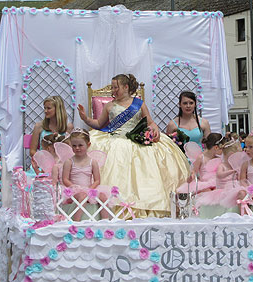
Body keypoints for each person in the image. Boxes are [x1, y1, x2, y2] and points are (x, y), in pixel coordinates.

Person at [78, 74, 189, 217]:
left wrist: (154, 128)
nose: (113, 90)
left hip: (137, 140)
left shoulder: (139, 103)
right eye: (112, 87)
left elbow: (150, 122)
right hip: (115, 141)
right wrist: (85, 118)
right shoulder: (110, 106)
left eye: (116, 87)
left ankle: (147, 205)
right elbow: (99, 124)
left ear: (126, 87)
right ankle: (111, 207)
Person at [62, 129, 110, 221]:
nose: (77, 148)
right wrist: (74, 187)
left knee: (103, 196)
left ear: (88, 145)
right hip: (74, 190)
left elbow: (97, 180)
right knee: (82, 196)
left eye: (80, 145)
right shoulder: (69, 162)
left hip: (90, 188)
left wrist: (90, 189)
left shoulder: (93, 162)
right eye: (74, 146)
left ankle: (105, 220)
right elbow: (65, 179)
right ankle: (76, 221)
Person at [195, 137, 242, 216]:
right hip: (222, 189)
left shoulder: (235, 166)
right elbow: (219, 175)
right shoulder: (222, 165)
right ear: (229, 156)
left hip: (232, 189)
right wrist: (231, 172)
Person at [30, 96, 74, 172]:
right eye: (44, 108)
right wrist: (44, 159)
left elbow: (70, 150)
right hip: (42, 165)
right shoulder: (39, 126)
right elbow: (32, 151)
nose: (45, 111)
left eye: (48, 108)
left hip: (61, 165)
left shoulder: (68, 127)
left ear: (58, 109)